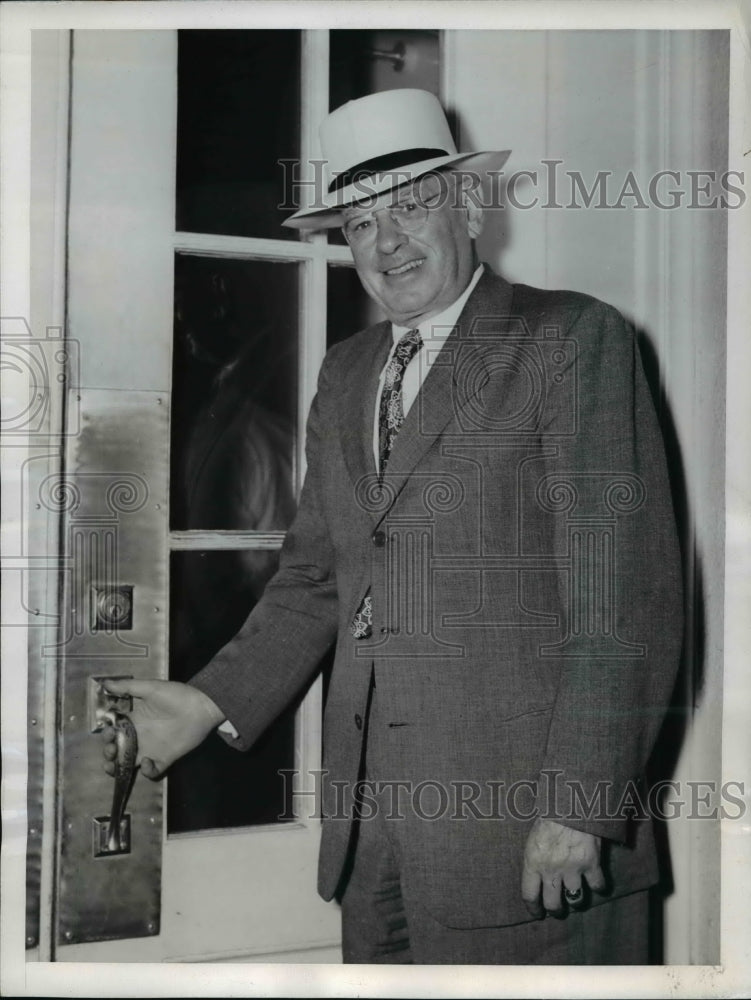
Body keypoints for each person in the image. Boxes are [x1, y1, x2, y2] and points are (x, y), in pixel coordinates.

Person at [103, 89, 683, 964]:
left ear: (470, 208)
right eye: (361, 223)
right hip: (373, 843)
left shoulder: (568, 339)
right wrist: (210, 700)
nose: (386, 243)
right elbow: (316, 578)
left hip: (540, 845)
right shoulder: (346, 372)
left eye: (411, 206)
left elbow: (623, 598)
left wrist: (580, 804)